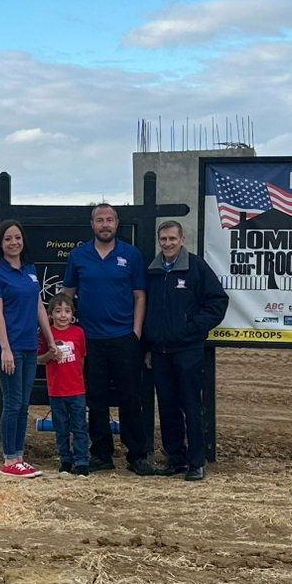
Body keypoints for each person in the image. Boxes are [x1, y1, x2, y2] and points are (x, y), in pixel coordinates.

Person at [61, 203, 155, 475]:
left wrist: (135, 333)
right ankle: (101, 454)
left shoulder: (131, 254)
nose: (105, 225)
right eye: (100, 220)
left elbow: (140, 296)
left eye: (110, 220)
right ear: (92, 224)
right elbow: (67, 293)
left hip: (124, 337)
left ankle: (137, 455)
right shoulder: (79, 255)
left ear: (117, 224)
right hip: (90, 339)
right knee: (97, 399)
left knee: (130, 397)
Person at [142, 220, 228, 481]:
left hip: (188, 349)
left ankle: (196, 462)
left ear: (182, 239)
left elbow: (217, 302)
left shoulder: (196, 267)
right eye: (163, 239)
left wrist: (192, 328)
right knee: (167, 407)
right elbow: (147, 310)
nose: (167, 243)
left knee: (191, 405)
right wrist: (148, 346)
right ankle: (175, 459)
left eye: (172, 238)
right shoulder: (153, 271)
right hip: (159, 352)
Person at [0, 219, 55, 478]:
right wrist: (5, 348)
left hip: (29, 347)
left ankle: (19, 457)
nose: (14, 242)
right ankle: (9, 458)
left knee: (23, 404)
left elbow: (39, 307)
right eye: (8, 239)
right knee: (12, 404)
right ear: (0, 244)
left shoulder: (30, 270)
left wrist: (49, 340)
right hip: (8, 347)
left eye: (17, 238)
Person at [37, 293, 89, 476]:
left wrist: (77, 379)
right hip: (56, 390)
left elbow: (81, 359)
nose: (62, 315)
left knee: (80, 426)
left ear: (72, 314)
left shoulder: (78, 333)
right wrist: (50, 356)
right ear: (51, 314)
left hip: (76, 389)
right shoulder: (46, 333)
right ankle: (65, 460)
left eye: (67, 311)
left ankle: (81, 460)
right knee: (61, 428)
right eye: (58, 311)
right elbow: (39, 359)